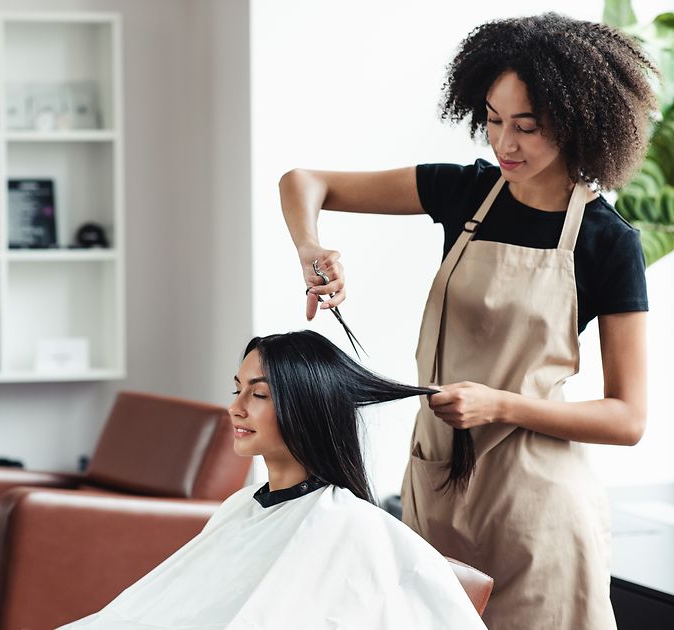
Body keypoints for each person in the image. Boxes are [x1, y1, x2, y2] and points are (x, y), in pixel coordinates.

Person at [279, 12, 656, 630]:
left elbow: (627, 418)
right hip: (436, 484)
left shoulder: (606, 242)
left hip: (536, 505)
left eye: (527, 127)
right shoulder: (463, 194)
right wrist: (309, 248)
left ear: (579, 124)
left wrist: (499, 405)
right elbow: (304, 182)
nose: (503, 144)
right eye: (492, 118)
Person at [59, 330, 487, 629]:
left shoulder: (348, 524)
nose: (236, 408)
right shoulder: (242, 506)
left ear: (307, 406)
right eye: (237, 390)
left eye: (259, 394)